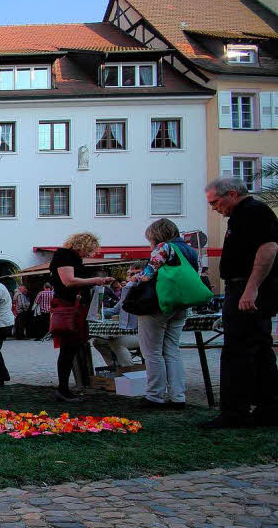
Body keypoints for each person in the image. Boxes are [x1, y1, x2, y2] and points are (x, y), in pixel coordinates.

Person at [202, 178, 278, 428]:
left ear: (232, 194)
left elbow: (268, 248)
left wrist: (251, 288)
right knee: (257, 348)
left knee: (239, 350)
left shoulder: (254, 212)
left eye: (215, 202)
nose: (214, 208)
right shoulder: (244, 215)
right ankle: (267, 407)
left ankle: (235, 411)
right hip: (246, 287)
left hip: (247, 288)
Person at [135, 218, 201, 408]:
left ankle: (154, 395)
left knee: (152, 351)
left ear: (156, 235)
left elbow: (148, 274)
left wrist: (137, 278)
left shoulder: (164, 247)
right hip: (180, 304)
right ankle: (178, 396)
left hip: (159, 304)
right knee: (172, 350)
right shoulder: (190, 250)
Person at [49, 232, 113, 402]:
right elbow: (68, 281)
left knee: (72, 348)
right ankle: (63, 389)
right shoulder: (64, 255)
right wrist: (96, 281)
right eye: (89, 250)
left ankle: (67, 387)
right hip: (69, 306)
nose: (89, 254)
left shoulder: (70, 257)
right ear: (82, 245)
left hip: (74, 305)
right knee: (68, 348)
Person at [94, 265, 142, 370]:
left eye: (133, 274)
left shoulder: (142, 290)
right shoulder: (128, 291)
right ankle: (114, 367)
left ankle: (129, 371)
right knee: (98, 341)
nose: (130, 277)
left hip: (143, 333)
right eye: (129, 274)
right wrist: (96, 312)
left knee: (116, 342)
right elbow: (114, 310)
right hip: (131, 331)